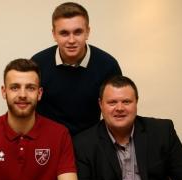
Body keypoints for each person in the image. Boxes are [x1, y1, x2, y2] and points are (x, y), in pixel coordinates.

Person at [32, 2, 122, 136]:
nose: (71, 40)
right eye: (64, 33)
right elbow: (27, 107)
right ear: (54, 34)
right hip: (48, 140)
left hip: (90, 142)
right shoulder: (37, 63)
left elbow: (116, 111)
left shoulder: (108, 65)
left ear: (88, 32)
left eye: (78, 32)